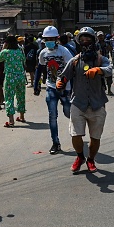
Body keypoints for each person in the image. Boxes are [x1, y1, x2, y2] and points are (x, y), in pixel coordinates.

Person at [57, 27, 112, 174]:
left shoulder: (101, 59)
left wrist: (99, 70)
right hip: (78, 104)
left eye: (88, 39)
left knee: (95, 137)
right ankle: (80, 157)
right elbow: (63, 76)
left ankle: (91, 159)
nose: (85, 42)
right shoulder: (74, 61)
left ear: (94, 41)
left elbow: (110, 69)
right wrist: (60, 82)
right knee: (76, 134)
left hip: (97, 104)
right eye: (82, 40)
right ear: (79, 43)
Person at [34, 26, 74, 154]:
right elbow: (40, 69)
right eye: (47, 39)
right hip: (51, 87)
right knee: (52, 116)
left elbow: (72, 68)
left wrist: (71, 86)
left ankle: (76, 128)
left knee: (68, 112)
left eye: (52, 39)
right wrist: (36, 85)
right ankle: (55, 143)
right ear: (44, 40)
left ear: (56, 39)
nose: (49, 41)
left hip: (64, 87)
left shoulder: (64, 51)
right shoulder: (43, 53)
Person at [0, 35, 27, 127]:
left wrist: (3, 48)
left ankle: (11, 120)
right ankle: (21, 116)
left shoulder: (6, 52)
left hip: (10, 77)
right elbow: (24, 62)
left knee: (9, 97)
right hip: (21, 76)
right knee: (21, 96)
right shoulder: (20, 51)